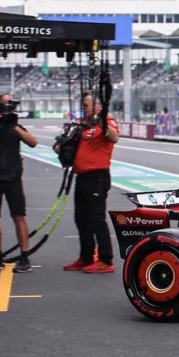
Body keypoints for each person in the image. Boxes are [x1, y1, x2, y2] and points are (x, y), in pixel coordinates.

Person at [0, 94, 38, 273]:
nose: (8, 108)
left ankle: (24, 256)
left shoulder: (14, 124)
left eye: (11, 105)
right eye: (5, 104)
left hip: (13, 177)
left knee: (19, 216)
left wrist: (13, 126)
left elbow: (33, 142)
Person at [62, 93, 119, 274]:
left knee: (96, 219)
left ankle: (105, 259)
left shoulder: (107, 121)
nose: (84, 108)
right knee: (81, 219)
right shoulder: (84, 126)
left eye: (87, 105)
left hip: (97, 176)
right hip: (82, 176)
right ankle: (86, 256)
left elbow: (114, 137)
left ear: (97, 106)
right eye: (84, 105)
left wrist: (100, 121)